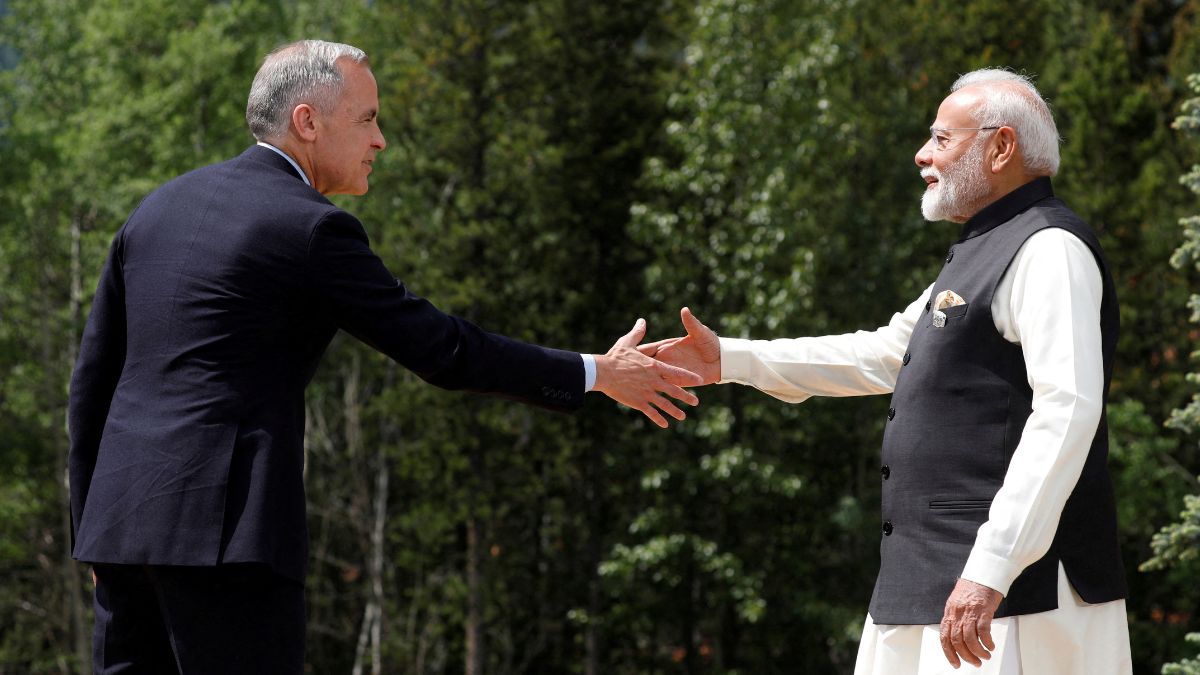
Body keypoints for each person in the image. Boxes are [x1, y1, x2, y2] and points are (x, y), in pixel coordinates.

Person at [68, 39, 701, 674]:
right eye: (368, 118)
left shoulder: (152, 211)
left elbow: (92, 384)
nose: (381, 141)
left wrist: (88, 530)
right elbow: (445, 350)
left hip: (120, 533)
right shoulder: (311, 227)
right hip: (228, 539)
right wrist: (595, 372)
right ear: (308, 122)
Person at [647, 69, 1132, 674]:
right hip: (934, 587)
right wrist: (730, 360)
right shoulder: (986, 250)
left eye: (942, 139)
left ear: (1002, 147)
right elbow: (883, 354)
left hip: (1012, 600)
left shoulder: (1049, 249)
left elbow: (1068, 409)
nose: (922, 154)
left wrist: (991, 569)